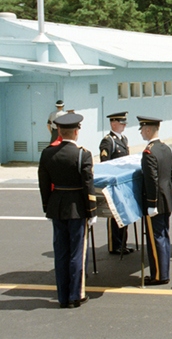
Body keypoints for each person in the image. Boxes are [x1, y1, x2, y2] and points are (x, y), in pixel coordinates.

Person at [38, 113, 96, 308]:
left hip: (56, 206)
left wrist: (47, 207)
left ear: (59, 132)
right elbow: (88, 185)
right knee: (77, 252)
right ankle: (75, 295)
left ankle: (63, 296)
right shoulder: (82, 154)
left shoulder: (47, 153)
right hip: (77, 208)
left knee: (61, 252)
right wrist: (92, 211)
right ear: (76, 132)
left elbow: (44, 185)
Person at [138, 116, 172, 286]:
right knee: (164, 236)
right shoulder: (166, 148)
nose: (140, 132)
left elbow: (151, 180)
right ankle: (163, 272)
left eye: (141, 129)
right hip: (166, 198)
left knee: (156, 239)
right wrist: (169, 193)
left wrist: (152, 203)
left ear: (148, 130)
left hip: (155, 202)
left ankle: (159, 275)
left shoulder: (149, 152)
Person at [99, 111, 134, 255]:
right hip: (114, 183)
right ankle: (115, 245)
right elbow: (105, 163)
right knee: (114, 215)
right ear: (113, 124)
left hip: (122, 182)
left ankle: (123, 243)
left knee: (123, 213)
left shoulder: (124, 139)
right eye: (122, 123)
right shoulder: (108, 141)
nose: (124, 125)